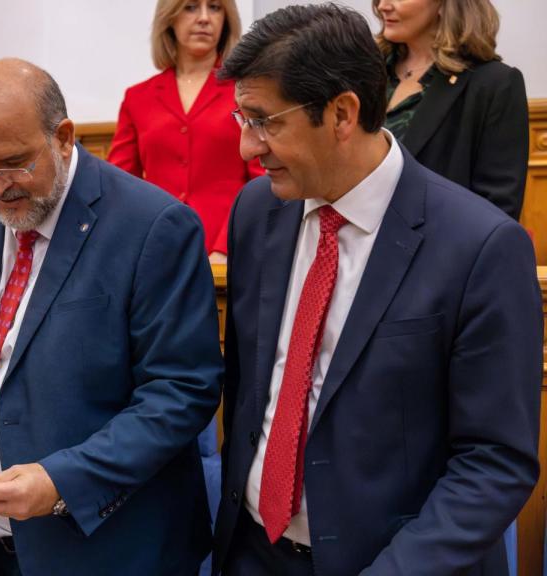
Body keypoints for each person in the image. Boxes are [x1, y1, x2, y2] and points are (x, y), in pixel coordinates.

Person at [213, 4, 541, 575]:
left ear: (342, 114)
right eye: (243, 120)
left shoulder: (480, 247)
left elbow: (494, 463)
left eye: (266, 121)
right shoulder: (256, 214)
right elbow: (249, 394)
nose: (248, 148)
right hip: (254, 554)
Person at [0, 58, 223, 575]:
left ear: (63, 137)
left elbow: (180, 391)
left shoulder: (154, 226)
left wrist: (63, 481)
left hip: (112, 551)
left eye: (14, 162)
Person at [108, 0, 262, 263]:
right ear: (170, 18)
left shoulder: (247, 93)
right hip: (155, 250)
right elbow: (119, 188)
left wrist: (225, 247)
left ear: (227, 19)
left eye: (215, 7)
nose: (204, 18)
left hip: (230, 253)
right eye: (190, 7)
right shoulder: (137, 98)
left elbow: (261, 182)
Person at [375, 0, 528, 219]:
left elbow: (497, 209)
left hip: (438, 248)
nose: (383, 5)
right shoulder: (366, 70)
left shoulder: (494, 83)